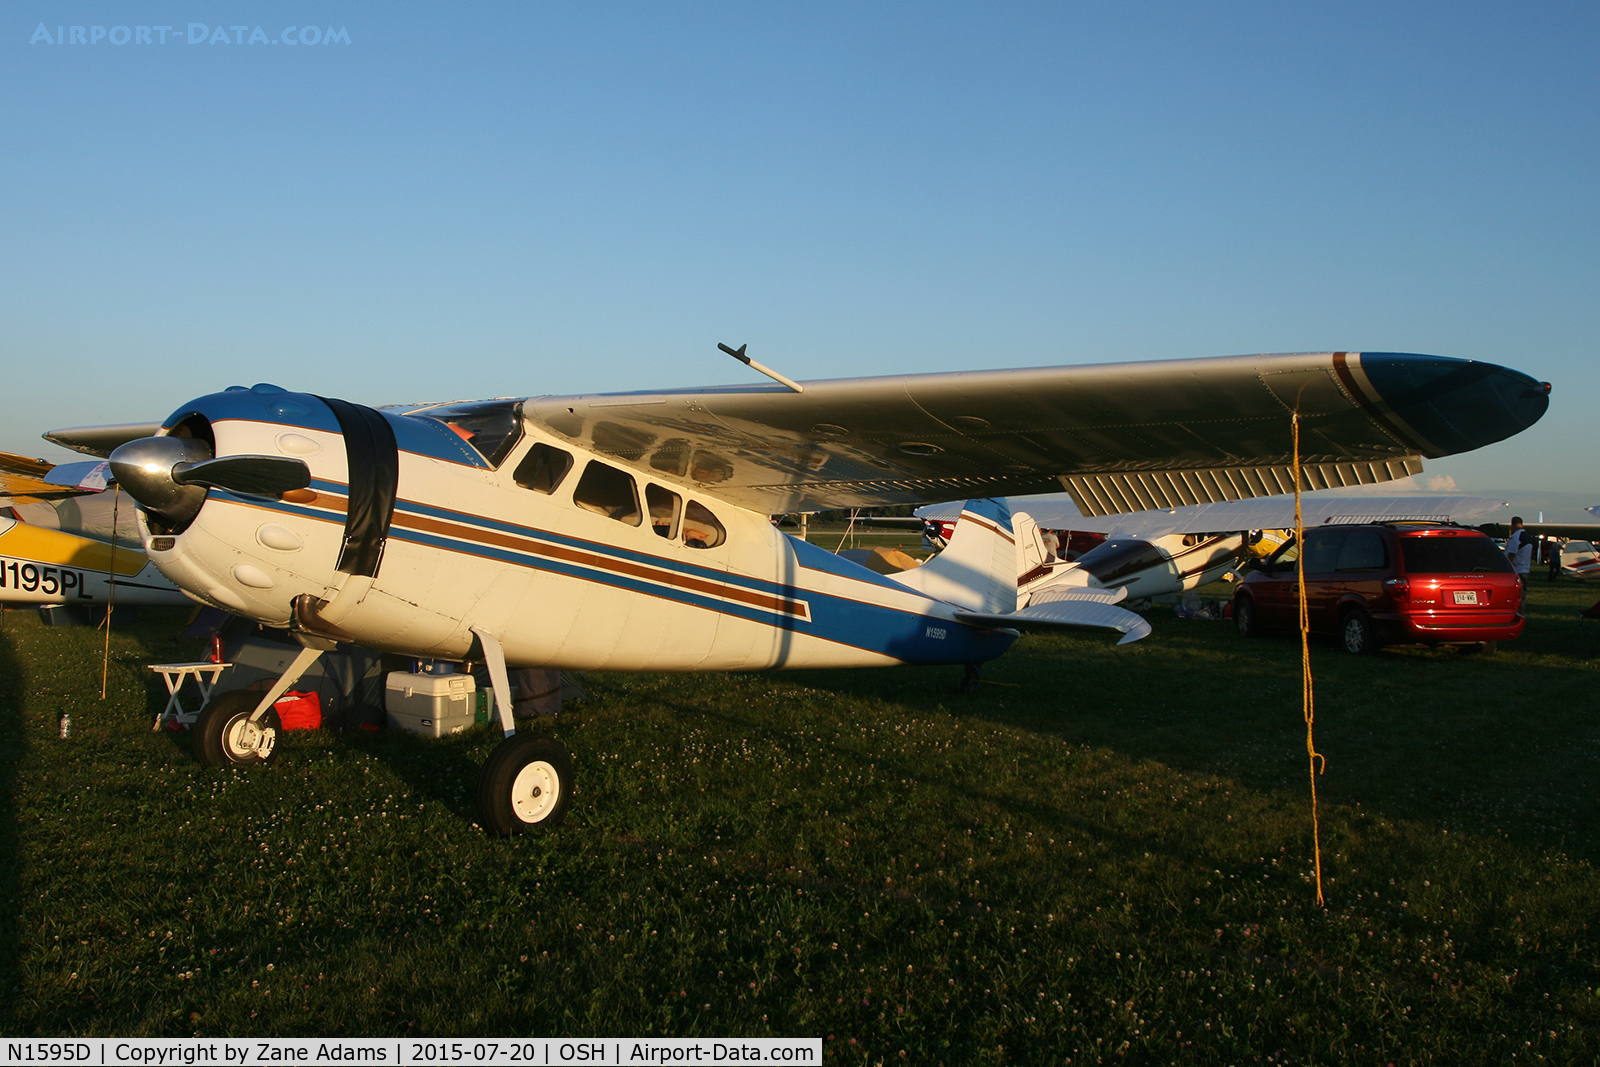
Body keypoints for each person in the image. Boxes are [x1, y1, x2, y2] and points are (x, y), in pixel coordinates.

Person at [1505, 517, 1533, 609]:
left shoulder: (1516, 537)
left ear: (1512, 525)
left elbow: (1512, 554)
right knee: (1522, 596)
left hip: (1517, 570)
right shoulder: (1528, 536)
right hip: (1525, 569)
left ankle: (1518, 614)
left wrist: (1506, 567)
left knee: (1515, 596)